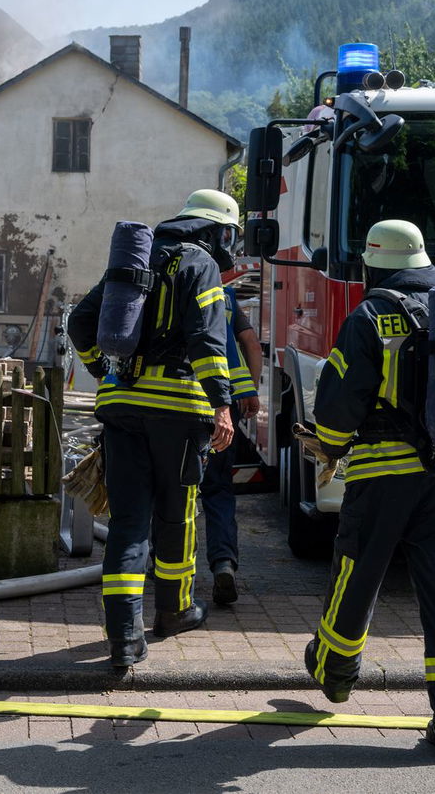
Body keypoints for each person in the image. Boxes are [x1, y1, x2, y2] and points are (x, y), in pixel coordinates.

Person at [302, 219, 435, 761]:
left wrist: (332, 446)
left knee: (356, 571)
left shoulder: (369, 316)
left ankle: (335, 673)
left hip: (382, 472)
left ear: (374, 264)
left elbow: (339, 402)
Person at [67, 189, 241, 671]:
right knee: (177, 516)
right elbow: (207, 340)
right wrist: (222, 405)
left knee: (127, 521)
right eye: (227, 234)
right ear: (213, 231)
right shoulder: (198, 262)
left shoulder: (137, 260)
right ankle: (173, 612)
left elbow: (81, 322)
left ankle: (123, 637)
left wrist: (103, 370)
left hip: (121, 408)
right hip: (178, 411)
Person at [200, 290, 261, 606]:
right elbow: (250, 343)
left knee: (168, 488)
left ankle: (162, 563)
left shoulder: (160, 281)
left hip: (175, 401)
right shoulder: (225, 295)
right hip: (224, 405)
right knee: (218, 490)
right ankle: (223, 562)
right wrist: (250, 387)